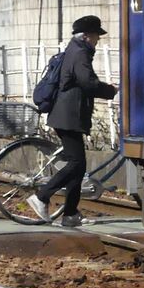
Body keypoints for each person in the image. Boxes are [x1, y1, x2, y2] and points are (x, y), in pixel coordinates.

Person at [26, 15, 118, 226]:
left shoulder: (74, 50)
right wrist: (110, 90)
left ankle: (70, 214)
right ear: (86, 36)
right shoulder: (80, 53)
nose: (98, 40)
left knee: (78, 165)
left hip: (67, 115)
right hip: (68, 116)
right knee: (77, 163)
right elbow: (88, 83)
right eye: (96, 36)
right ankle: (42, 196)